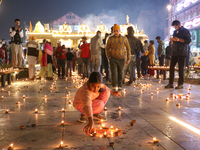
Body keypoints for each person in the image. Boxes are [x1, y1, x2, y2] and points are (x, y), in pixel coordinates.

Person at [165, 20, 191, 89]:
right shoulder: (174, 32)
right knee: (171, 68)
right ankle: (170, 83)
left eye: (176, 26)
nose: (175, 28)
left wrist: (179, 39)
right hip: (174, 52)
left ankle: (180, 84)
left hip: (182, 52)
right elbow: (174, 41)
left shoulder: (185, 31)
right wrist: (172, 40)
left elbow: (188, 41)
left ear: (179, 24)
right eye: (174, 27)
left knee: (180, 69)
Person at [106, 24, 131, 92]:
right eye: (114, 31)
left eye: (117, 31)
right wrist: (109, 57)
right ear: (113, 31)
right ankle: (114, 86)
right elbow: (107, 48)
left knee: (120, 73)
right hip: (113, 58)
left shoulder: (124, 38)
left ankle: (119, 85)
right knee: (114, 72)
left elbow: (128, 48)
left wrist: (128, 58)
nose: (116, 32)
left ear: (119, 31)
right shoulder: (110, 39)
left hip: (121, 58)